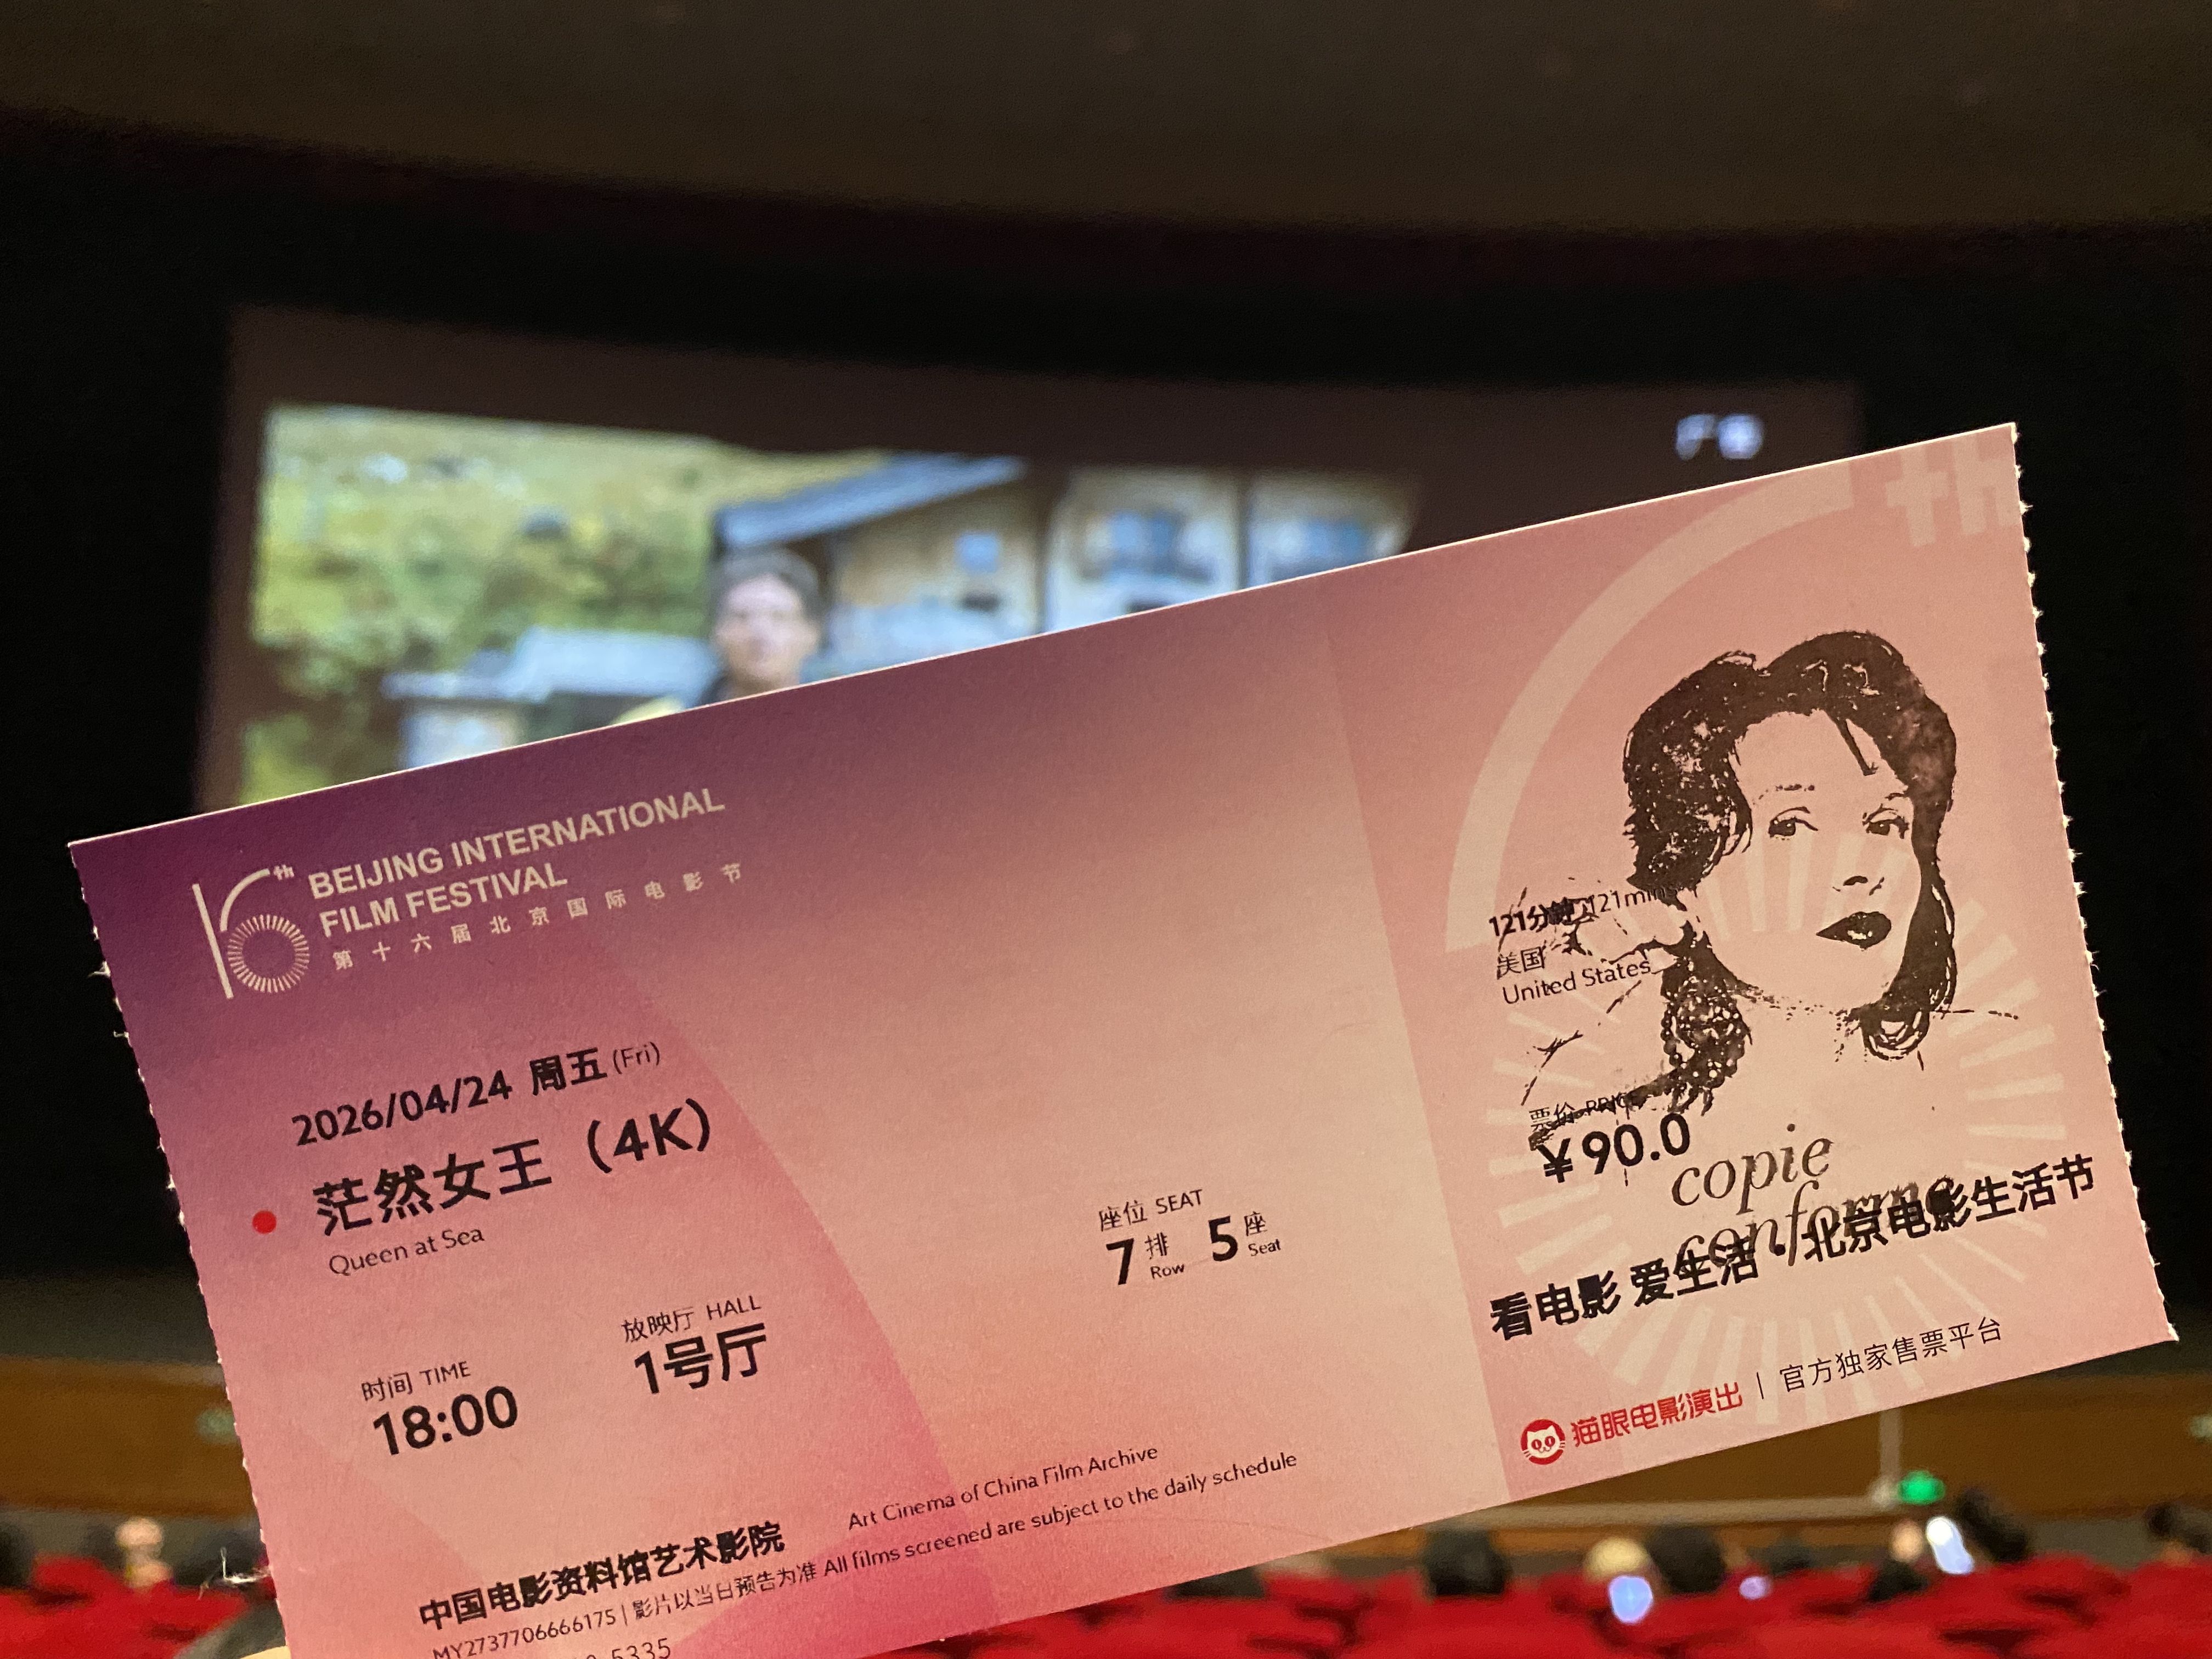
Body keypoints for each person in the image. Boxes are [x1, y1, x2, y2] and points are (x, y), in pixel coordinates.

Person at [1525, 631, 1958, 1144]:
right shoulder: (1606, 1122)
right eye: (1791, 827)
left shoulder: (1961, 1095)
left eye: (1884, 824)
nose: (1859, 870)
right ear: (1685, 885)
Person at [702, 547, 825, 702]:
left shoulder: (841, 712)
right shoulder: (683, 714)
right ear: (716, 633)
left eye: (778, 617)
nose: (759, 633)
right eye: (742, 617)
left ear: (812, 634)